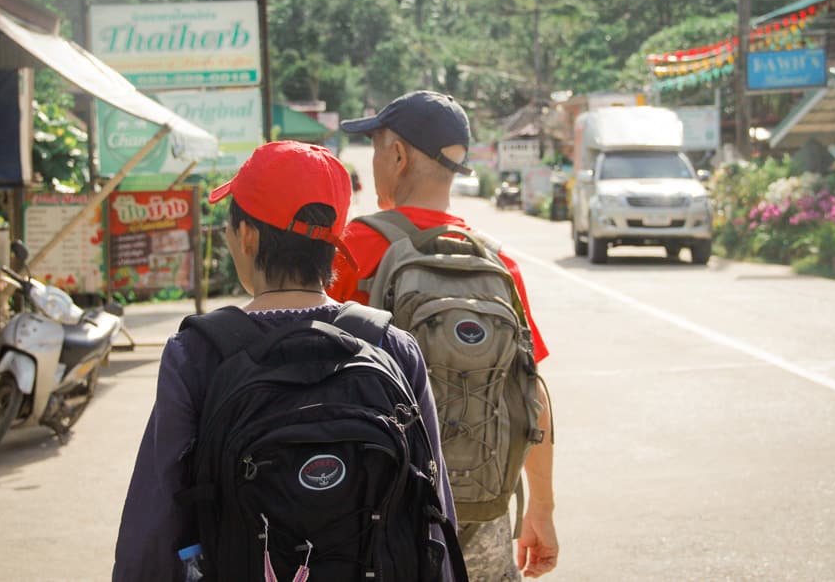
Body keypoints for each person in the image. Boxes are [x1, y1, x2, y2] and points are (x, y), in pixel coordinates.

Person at [113, 140, 457, 581]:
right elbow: (434, 509)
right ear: (334, 241)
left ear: (249, 236)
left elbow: (155, 516)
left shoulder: (196, 353)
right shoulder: (392, 347)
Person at [328, 91, 559, 580]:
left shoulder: (351, 249)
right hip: (483, 513)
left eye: (375, 148)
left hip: (378, 519)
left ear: (397, 155)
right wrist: (541, 509)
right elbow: (530, 391)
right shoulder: (495, 262)